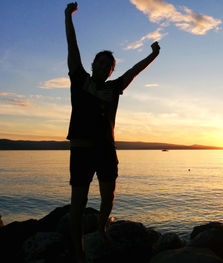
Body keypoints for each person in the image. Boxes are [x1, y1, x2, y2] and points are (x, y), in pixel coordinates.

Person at [65, 2, 160, 262]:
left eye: (109, 65)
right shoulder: (80, 79)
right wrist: (68, 16)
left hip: (106, 149)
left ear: (110, 71)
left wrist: (153, 55)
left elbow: (134, 71)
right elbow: (72, 47)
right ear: (93, 64)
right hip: (82, 148)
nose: (104, 67)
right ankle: (78, 251)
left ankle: (101, 227)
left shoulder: (115, 87)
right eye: (101, 62)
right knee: (78, 203)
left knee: (109, 196)